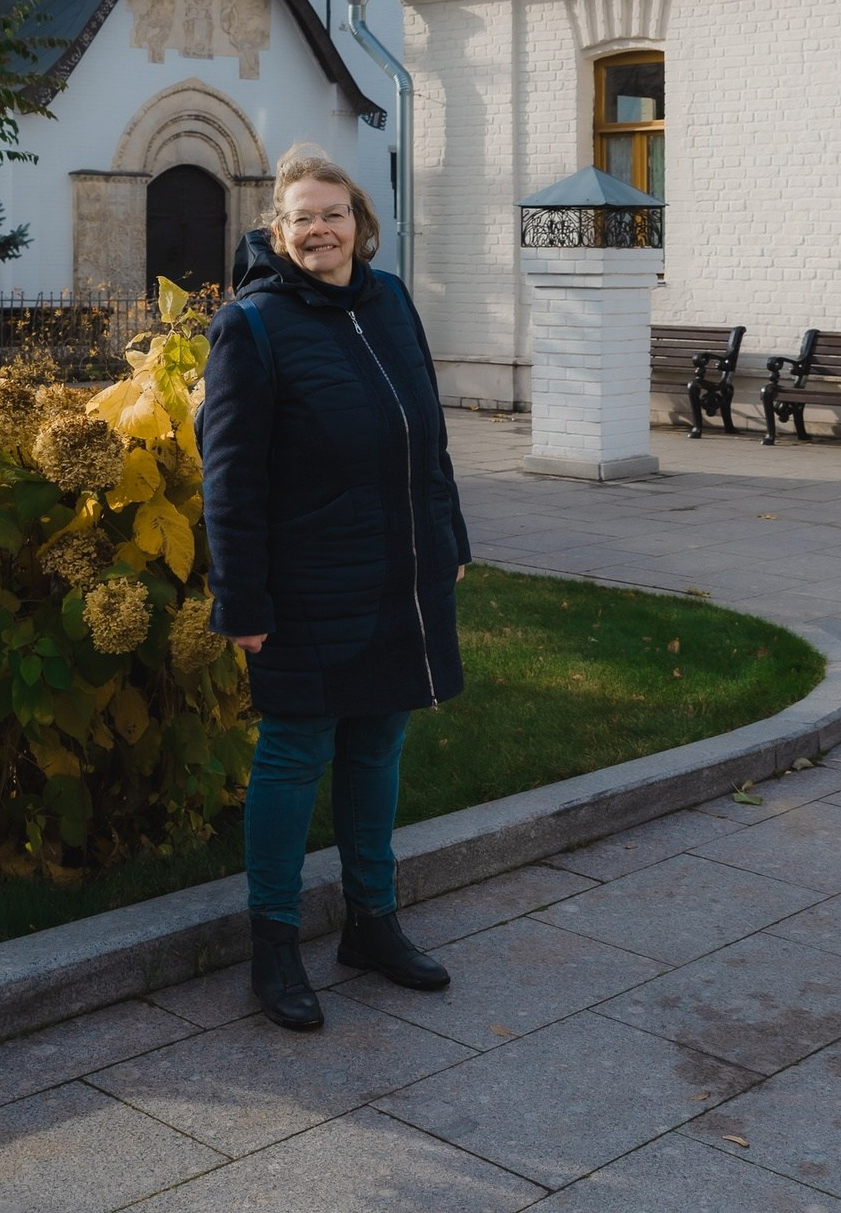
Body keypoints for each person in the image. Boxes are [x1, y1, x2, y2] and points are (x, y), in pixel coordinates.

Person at [199, 144, 470, 1031]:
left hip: (397, 567)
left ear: (361, 223)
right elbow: (230, 478)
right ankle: (274, 945)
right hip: (305, 578)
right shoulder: (254, 324)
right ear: (279, 233)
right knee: (293, 753)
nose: (321, 229)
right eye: (303, 217)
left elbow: (424, 433)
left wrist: (450, 535)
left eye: (335, 212)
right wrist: (241, 601)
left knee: (378, 742)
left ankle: (372, 922)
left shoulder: (391, 301)